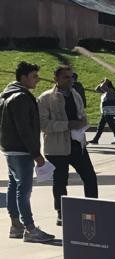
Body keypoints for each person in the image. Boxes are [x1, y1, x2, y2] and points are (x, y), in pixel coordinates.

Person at [1, 61, 54, 242]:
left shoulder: (6, 95)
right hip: (22, 150)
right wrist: (36, 154)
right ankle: (30, 229)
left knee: (14, 185)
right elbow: (24, 129)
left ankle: (16, 226)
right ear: (23, 78)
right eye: (34, 76)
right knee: (23, 189)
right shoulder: (21, 97)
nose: (37, 80)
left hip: (10, 149)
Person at [38, 64, 97, 226]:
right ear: (56, 78)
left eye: (71, 77)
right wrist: (68, 125)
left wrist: (84, 122)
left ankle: (93, 209)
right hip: (56, 148)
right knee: (60, 181)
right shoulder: (46, 98)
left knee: (90, 177)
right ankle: (61, 214)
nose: (70, 80)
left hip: (77, 145)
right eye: (66, 77)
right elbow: (43, 124)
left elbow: (82, 114)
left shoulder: (75, 94)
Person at [89, 78, 115, 144]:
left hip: (108, 112)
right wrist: (102, 82)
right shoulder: (105, 92)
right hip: (104, 111)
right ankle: (95, 140)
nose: (101, 84)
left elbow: (102, 87)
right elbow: (97, 89)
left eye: (103, 83)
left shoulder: (110, 90)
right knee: (101, 126)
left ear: (107, 85)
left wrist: (105, 81)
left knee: (111, 126)